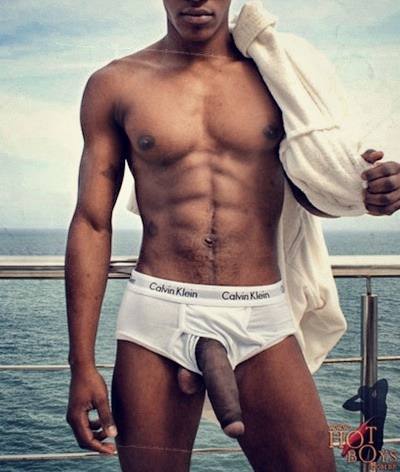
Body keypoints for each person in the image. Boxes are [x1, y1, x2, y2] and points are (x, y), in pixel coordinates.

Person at [65, 1, 400, 470]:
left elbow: (314, 188)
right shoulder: (116, 83)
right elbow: (92, 222)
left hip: (259, 311)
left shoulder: (278, 76)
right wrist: (81, 363)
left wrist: (368, 192)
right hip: (158, 312)